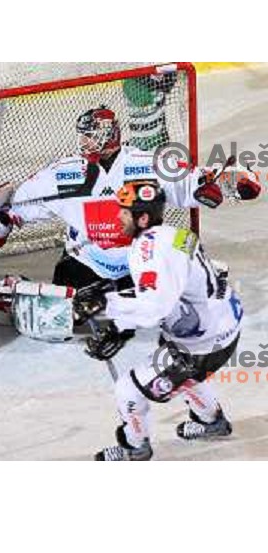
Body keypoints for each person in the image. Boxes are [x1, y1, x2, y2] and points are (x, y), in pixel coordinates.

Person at [0, 104, 261, 293]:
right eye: (83, 136)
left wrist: (221, 183)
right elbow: (22, 204)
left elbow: (194, 182)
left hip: (138, 259)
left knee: (170, 304)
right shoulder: (64, 171)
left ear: (107, 134)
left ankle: (188, 275)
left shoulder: (148, 163)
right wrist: (5, 219)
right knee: (66, 311)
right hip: (85, 261)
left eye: (90, 136)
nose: (84, 142)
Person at [78, 180, 242, 461]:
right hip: (221, 322)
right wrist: (119, 312)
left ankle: (135, 449)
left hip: (203, 343)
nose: (118, 216)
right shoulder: (174, 234)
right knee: (184, 374)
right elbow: (169, 289)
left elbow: (155, 307)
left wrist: (112, 310)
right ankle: (212, 422)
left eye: (124, 212)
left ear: (142, 218)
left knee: (128, 389)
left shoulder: (147, 249)